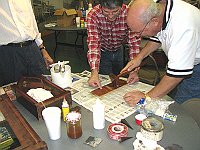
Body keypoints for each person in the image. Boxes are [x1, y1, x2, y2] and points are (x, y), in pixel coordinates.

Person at [121, 0, 200, 106]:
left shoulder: (183, 27)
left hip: (196, 68)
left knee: (183, 106)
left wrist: (146, 97)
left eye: (140, 32)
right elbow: (158, 37)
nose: (138, 36)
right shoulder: (158, 7)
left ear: (154, 21)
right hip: (182, 62)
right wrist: (139, 57)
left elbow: (176, 75)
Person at [86, 0, 141, 88]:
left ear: (121, 6)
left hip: (119, 50)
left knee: (119, 80)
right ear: (101, 6)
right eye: (106, 12)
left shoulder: (129, 13)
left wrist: (134, 71)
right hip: (102, 52)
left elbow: (134, 44)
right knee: (104, 82)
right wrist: (94, 72)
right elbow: (94, 44)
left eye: (115, 11)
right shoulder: (93, 15)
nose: (111, 16)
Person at [0, 0, 54, 86]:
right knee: (14, 91)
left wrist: (42, 49)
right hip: (8, 54)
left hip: (32, 49)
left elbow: (33, 24)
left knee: (42, 86)